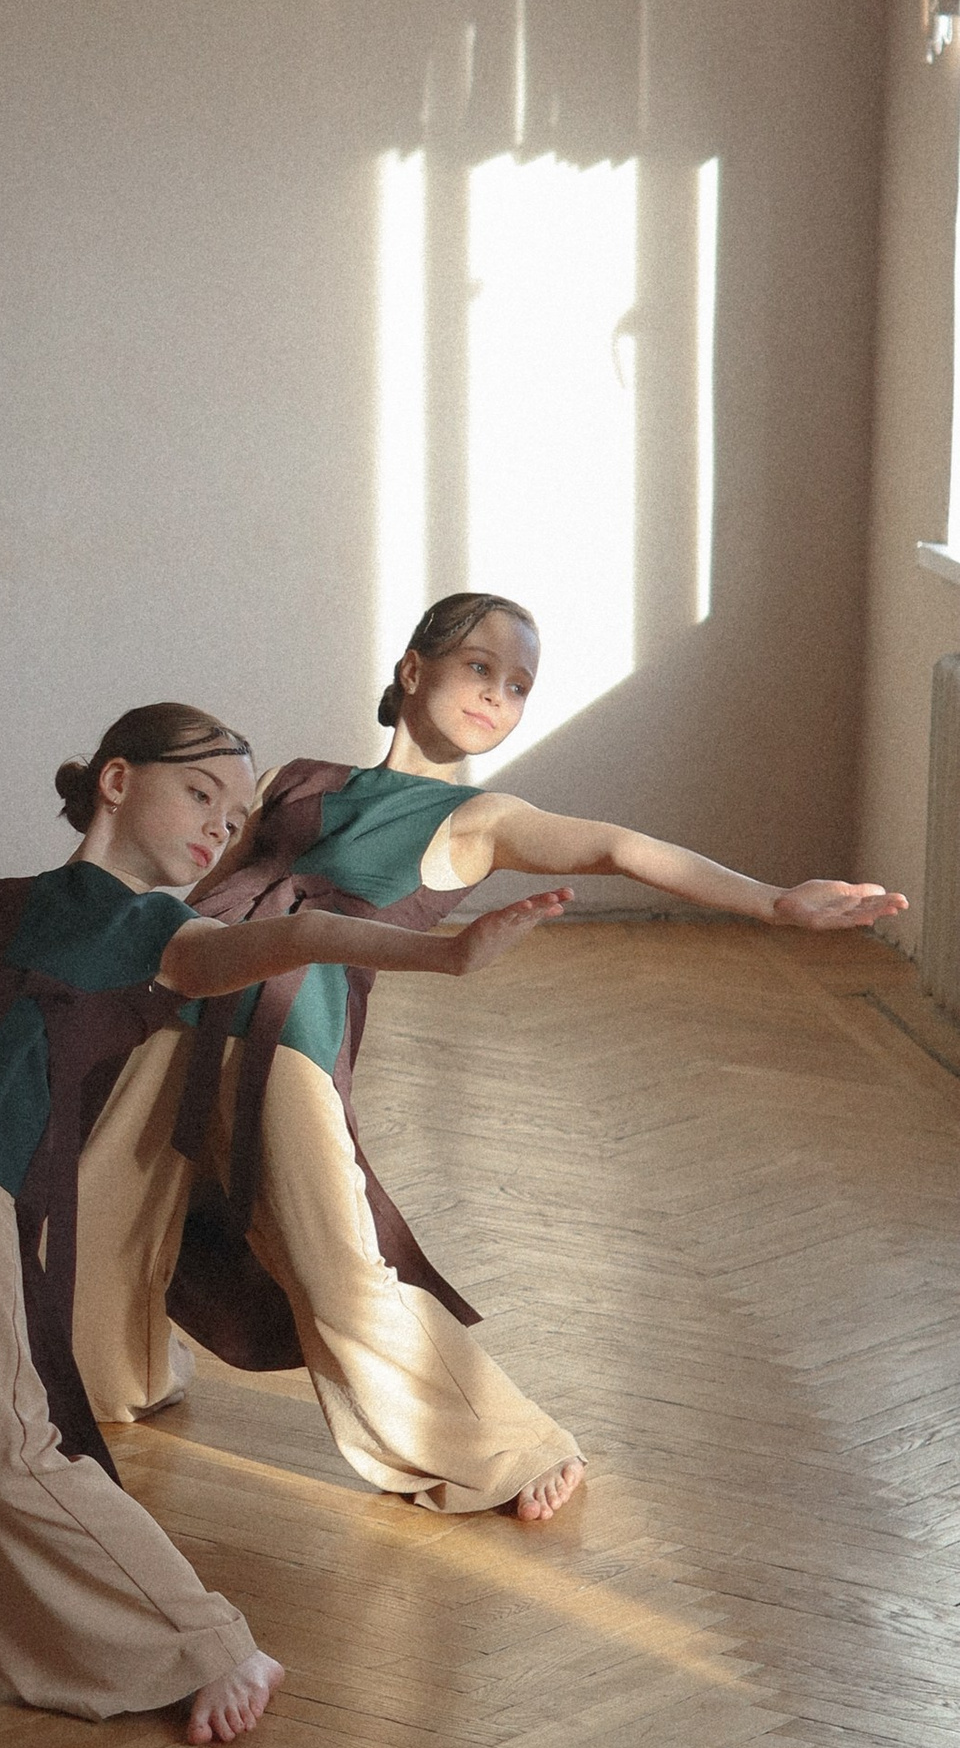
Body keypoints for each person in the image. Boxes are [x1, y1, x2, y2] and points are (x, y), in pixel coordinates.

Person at [0, 702, 570, 1739]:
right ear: (116, 780)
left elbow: (289, 933)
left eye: (236, 814)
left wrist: (442, 955)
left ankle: (195, 1640)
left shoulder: (167, 936)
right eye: (200, 793)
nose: (217, 827)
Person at [75, 594, 906, 1521]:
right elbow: (186, 856)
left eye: (518, 685)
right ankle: (116, 1371)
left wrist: (772, 900)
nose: (497, 695)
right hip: (178, 1004)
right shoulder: (291, 778)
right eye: (480, 668)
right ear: (412, 670)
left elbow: (621, 848)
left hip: (287, 1031)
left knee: (338, 1263)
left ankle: (513, 1442)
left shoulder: (483, 817)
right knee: (104, 1192)